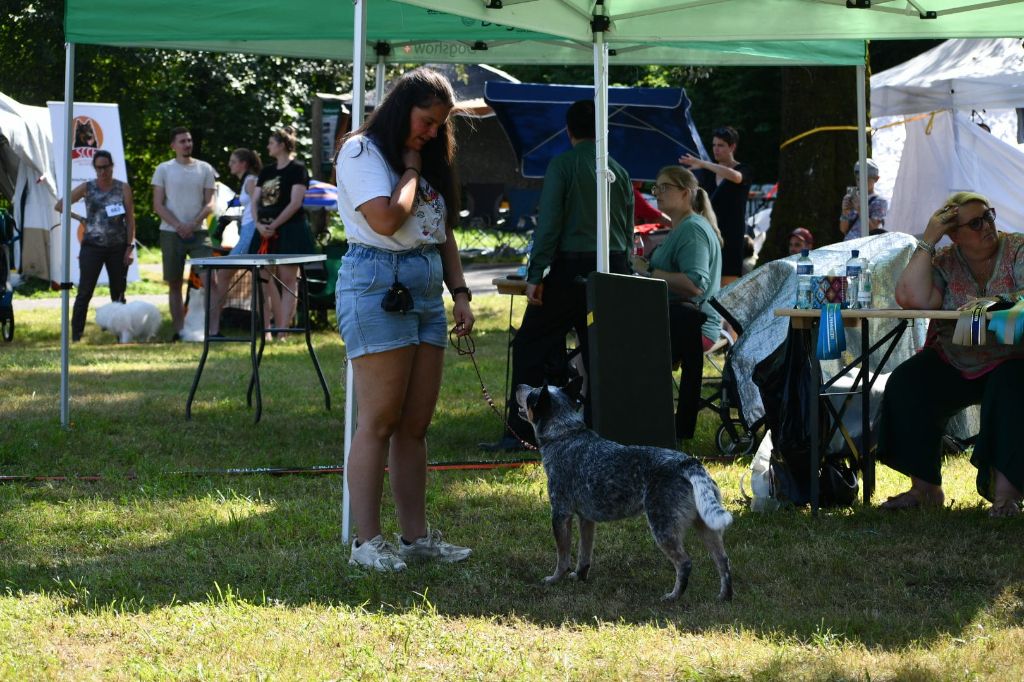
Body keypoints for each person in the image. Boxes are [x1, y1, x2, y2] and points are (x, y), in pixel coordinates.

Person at [335, 67, 475, 571]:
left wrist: (459, 292)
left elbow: (442, 231)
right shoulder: (361, 152)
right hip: (376, 283)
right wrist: (412, 170)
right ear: (401, 108)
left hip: (424, 285)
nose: (433, 132)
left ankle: (416, 540)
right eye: (427, 121)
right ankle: (367, 544)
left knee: (415, 425)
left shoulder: (427, 155)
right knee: (378, 420)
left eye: (440, 126)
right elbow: (387, 219)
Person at [481, 99, 634, 452]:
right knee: (602, 351)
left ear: (569, 131)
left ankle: (521, 431)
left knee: (530, 344)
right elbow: (627, 231)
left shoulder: (563, 165)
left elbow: (549, 224)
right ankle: (604, 428)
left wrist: (536, 273)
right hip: (613, 268)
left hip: (571, 268)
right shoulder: (619, 171)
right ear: (603, 132)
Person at [877, 192, 1024, 516]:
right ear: (954, 235)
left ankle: (1006, 496)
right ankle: (925, 489)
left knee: (1012, 385)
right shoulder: (945, 260)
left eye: (988, 216)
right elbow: (911, 297)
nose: (987, 226)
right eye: (975, 223)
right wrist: (929, 238)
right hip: (956, 360)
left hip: (1013, 359)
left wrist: (993, 303)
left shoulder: (1016, 249)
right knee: (909, 381)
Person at [635, 166, 723, 440]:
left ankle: (631, 419)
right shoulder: (682, 228)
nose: (657, 194)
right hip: (679, 322)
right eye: (655, 188)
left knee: (621, 341)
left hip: (694, 328)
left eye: (664, 187)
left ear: (685, 193)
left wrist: (647, 271)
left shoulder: (692, 230)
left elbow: (695, 284)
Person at [55, 150, 136, 342]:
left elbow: (130, 219)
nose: (102, 171)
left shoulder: (122, 188)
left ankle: (121, 335)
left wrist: (129, 246)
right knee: (84, 291)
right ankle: (76, 335)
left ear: (111, 166)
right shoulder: (87, 187)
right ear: (95, 168)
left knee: (118, 292)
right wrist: (81, 219)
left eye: (105, 167)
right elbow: (60, 205)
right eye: (99, 168)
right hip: (92, 247)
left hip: (117, 247)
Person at [152, 127, 217, 341]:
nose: (187, 144)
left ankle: (213, 330)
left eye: (189, 140)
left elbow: (210, 203)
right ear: (173, 145)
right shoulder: (163, 169)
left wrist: (193, 223)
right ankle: (180, 331)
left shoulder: (205, 168)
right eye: (182, 141)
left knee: (210, 281)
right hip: (171, 233)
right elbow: (158, 205)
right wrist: (179, 225)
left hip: (199, 233)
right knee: (174, 282)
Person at [251, 127, 315, 339]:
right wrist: (259, 225)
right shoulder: (267, 171)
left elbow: (296, 202)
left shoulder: (298, 169)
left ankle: (283, 331)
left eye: (271, 142)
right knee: (262, 278)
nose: (268, 146)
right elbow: (255, 200)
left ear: (281, 145)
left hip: (290, 228)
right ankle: (267, 329)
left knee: (289, 279)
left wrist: (275, 225)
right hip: (264, 229)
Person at [679, 126, 752, 286]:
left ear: (732, 147)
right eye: (714, 145)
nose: (716, 149)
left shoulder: (743, 169)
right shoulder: (708, 173)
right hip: (710, 237)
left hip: (732, 239)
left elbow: (736, 177)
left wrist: (703, 164)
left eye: (721, 145)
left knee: (727, 290)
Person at [209, 148, 262, 337]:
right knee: (257, 280)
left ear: (244, 164)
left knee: (223, 275)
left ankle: (214, 327)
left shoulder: (250, 181)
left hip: (250, 233)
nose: (230, 165)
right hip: (247, 231)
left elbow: (258, 206)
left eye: (233, 161)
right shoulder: (247, 181)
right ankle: (215, 326)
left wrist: (258, 229)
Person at [839, 159, 888, 240]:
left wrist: (860, 209)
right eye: (858, 179)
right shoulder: (853, 197)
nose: (861, 182)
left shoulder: (880, 202)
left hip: (867, 247)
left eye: (866, 179)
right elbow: (843, 229)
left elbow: (874, 230)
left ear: (876, 179)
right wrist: (845, 212)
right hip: (848, 246)